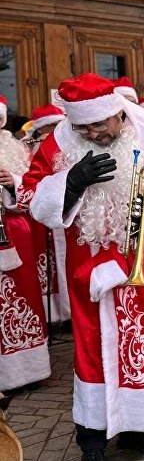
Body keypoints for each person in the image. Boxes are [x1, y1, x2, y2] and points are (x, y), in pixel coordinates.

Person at [20, 73, 144, 460]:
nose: (93, 134)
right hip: (90, 265)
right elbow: (34, 195)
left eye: (99, 124)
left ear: (118, 113)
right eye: (82, 127)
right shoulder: (58, 141)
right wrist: (70, 182)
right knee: (94, 347)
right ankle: (92, 436)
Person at [0, 99, 51, 396]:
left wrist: (12, 184)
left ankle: (28, 370)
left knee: (23, 298)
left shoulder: (16, 150)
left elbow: (35, 191)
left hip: (16, 233)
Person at [25, 105, 69, 326]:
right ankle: (54, 313)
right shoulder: (29, 150)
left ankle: (68, 310)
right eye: (50, 127)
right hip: (40, 221)